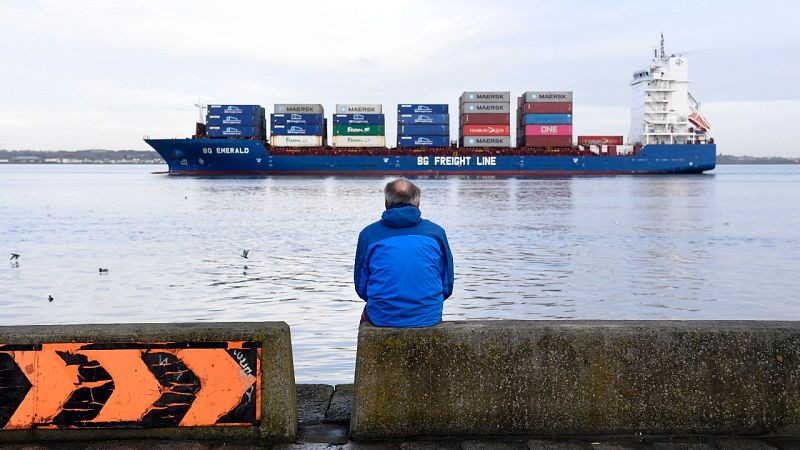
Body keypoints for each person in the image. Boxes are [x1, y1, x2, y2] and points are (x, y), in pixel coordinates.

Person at [354, 178, 454, 327]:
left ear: (386, 203)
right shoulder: (436, 233)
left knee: (366, 318)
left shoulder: (368, 234)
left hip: (383, 317)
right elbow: (447, 285)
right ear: (418, 203)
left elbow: (362, 287)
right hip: (428, 316)